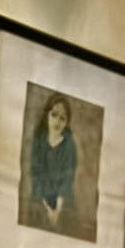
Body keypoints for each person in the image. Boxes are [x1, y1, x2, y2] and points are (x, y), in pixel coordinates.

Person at [28, 94, 77, 232]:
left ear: (67, 122)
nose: (57, 122)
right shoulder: (39, 139)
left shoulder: (69, 145)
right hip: (40, 198)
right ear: (47, 116)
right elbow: (36, 172)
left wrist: (57, 210)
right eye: (54, 115)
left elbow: (68, 179)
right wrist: (47, 208)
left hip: (62, 201)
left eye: (62, 118)